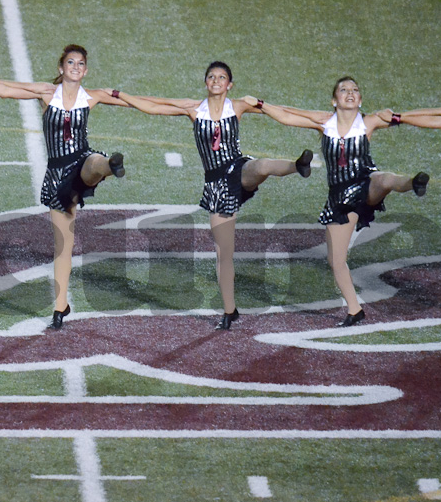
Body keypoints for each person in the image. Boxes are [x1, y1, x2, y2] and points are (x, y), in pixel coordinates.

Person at [111, 61, 313, 330]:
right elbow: (151, 106)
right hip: (217, 185)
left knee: (262, 166)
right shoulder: (194, 109)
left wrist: (263, 103)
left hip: (239, 169)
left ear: (229, 85)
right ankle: (230, 310)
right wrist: (117, 95)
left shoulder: (238, 105)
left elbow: (286, 115)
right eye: (211, 77)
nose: (216, 80)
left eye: (222, 77)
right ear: (206, 82)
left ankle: (297, 165)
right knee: (224, 253)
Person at [247, 76, 441, 326]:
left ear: (360, 100)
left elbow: (421, 118)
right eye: (344, 90)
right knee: (336, 261)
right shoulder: (323, 121)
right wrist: (260, 104)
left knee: (383, 180)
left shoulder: (369, 121)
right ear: (334, 100)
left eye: (355, 90)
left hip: (365, 184)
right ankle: (354, 309)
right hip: (339, 198)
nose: (350, 93)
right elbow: (286, 115)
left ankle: (412, 183)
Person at [0, 44, 128, 328]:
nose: (75, 67)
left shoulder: (91, 97)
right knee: (63, 247)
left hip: (82, 161)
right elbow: (6, 89)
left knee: (94, 162)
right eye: (70, 62)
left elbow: (139, 102)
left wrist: (185, 109)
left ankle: (111, 165)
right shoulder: (47, 93)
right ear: (61, 68)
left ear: (86, 70)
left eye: (80, 64)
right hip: (59, 177)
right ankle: (60, 308)